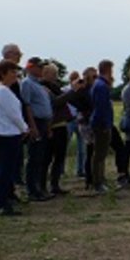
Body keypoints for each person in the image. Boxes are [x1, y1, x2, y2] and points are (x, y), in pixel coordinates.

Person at [0, 60, 27, 216]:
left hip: (4, 133)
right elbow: (14, 114)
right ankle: (1, 203)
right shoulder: (3, 91)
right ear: (3, 73)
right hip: (9, 134)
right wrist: (24, 128)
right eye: (12, 72)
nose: (15, 75)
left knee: (2, 169)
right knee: (5, 170)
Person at [20, 59, 55, 201]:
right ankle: (32, 190)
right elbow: (27, 105)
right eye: (39, 67)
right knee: (34, 157)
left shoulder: (39, 84)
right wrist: (32, 126)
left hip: (43, 123)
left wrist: (48, 127)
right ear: (30, 67)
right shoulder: (27, 83)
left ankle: (38, 187)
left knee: (41, 157)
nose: (42, 69)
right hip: (36, 122)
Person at [45, 64, 81, 195]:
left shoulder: (54, 87)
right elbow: (56, 102)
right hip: (53, 125)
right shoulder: (45, 87)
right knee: (49, 157)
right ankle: (47, 185)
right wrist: (72, 91)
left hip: (61, 124)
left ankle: (55, 184)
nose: (55, 76)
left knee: (59, 156)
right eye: (53, 74)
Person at [88, 61, 116, 192]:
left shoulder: (99, 85)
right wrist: (105, 124)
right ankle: (97, 182)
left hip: (100, 122)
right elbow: (101, 108)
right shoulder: (101, 86)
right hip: (101, 124)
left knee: (101, 154)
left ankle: (101, 180)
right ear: (107, 69)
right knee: (99, 154)